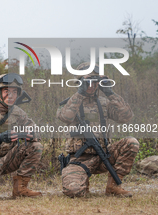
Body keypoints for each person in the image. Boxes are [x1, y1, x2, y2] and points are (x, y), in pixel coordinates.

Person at [57, 62, 139, 198]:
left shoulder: (104, 103)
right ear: (79, 82)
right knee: (74, 192)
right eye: (87, 81)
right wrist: (79, 94)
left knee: (132, 142)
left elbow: (127, 116)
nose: (92, 85)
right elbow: (65, 117)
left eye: (95, 81)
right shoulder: (69, 103)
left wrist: (110, 93)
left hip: (104, 155)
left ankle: (113, 186)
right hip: (79, 160)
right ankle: (82, 183)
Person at [0, 73, 44, 200]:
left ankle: (20, 188)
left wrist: (28, 134)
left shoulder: (19, 113)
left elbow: (37, 134)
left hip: (8, 159)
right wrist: (0, 138)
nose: (10, 95)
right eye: (6, 91)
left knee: (36, 146)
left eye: (14, 92)